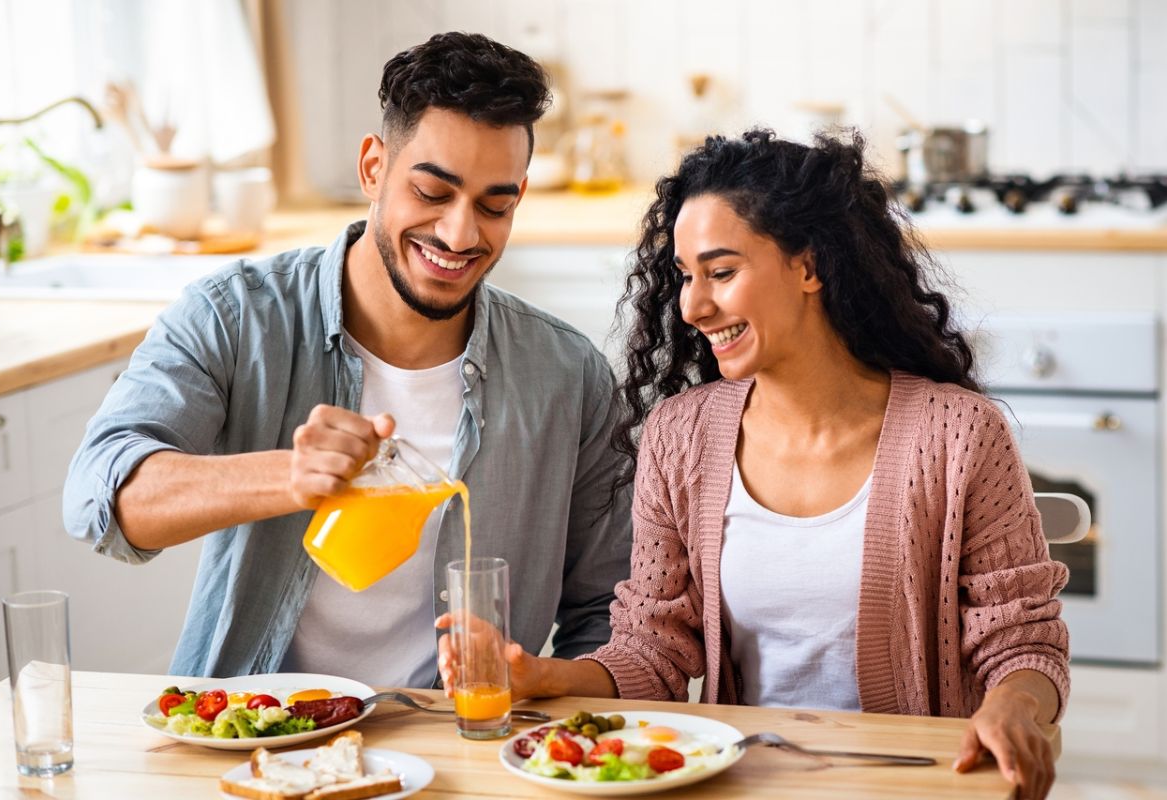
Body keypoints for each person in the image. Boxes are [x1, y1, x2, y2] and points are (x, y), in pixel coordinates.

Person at [438, 129, 1068, 800]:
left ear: (808, 266)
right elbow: (654, 650)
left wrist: (1013, 704)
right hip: (747, 781)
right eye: (685, 276)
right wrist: (544, 676)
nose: (692, 305)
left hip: (917, 781)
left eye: (721, 271)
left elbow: (1021, 644)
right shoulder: (680, 436)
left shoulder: (958, 435)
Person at [63, 32, 631, 689]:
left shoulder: (567, 374)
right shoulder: (235, 316)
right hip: (257, 740)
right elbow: (96, 496)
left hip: (463, 750)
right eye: (431, 193)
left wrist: (539, 685)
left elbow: (609, 612)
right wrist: (289, 477)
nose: (459, 234)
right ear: (372, 168)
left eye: (494, 205)